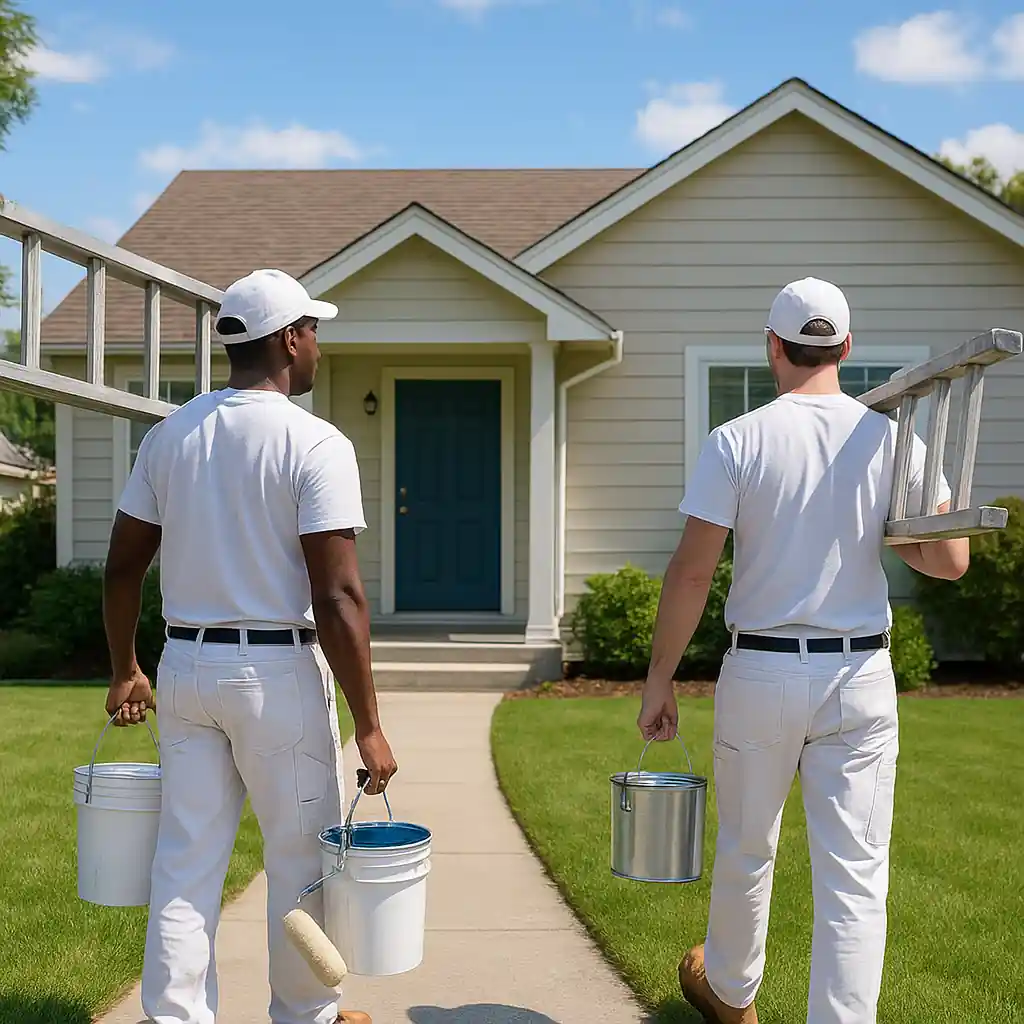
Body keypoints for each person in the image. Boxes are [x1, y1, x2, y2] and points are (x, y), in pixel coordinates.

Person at [637, 278, 970, 1024]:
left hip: (759, 670)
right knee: (854, 879)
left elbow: (693, 570)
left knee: (748, 848)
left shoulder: (737, 438)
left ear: (771, 348)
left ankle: (730, 995)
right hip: (858, 674)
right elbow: (950, 563)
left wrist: (660, 677)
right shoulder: (890, 436)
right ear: (846, 349)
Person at [102, 268, 396, 1024]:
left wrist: (125, 668)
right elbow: (337, 597)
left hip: (186, 668)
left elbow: (122, 566)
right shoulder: (316, 442)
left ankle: (174, 1018)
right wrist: (368, 722)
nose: (319, 347)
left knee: (185, 862)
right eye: (315, 332)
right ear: (290, 339)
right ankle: (306, 1018)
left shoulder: (170, 435)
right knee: (300, 861)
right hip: (275, 675)